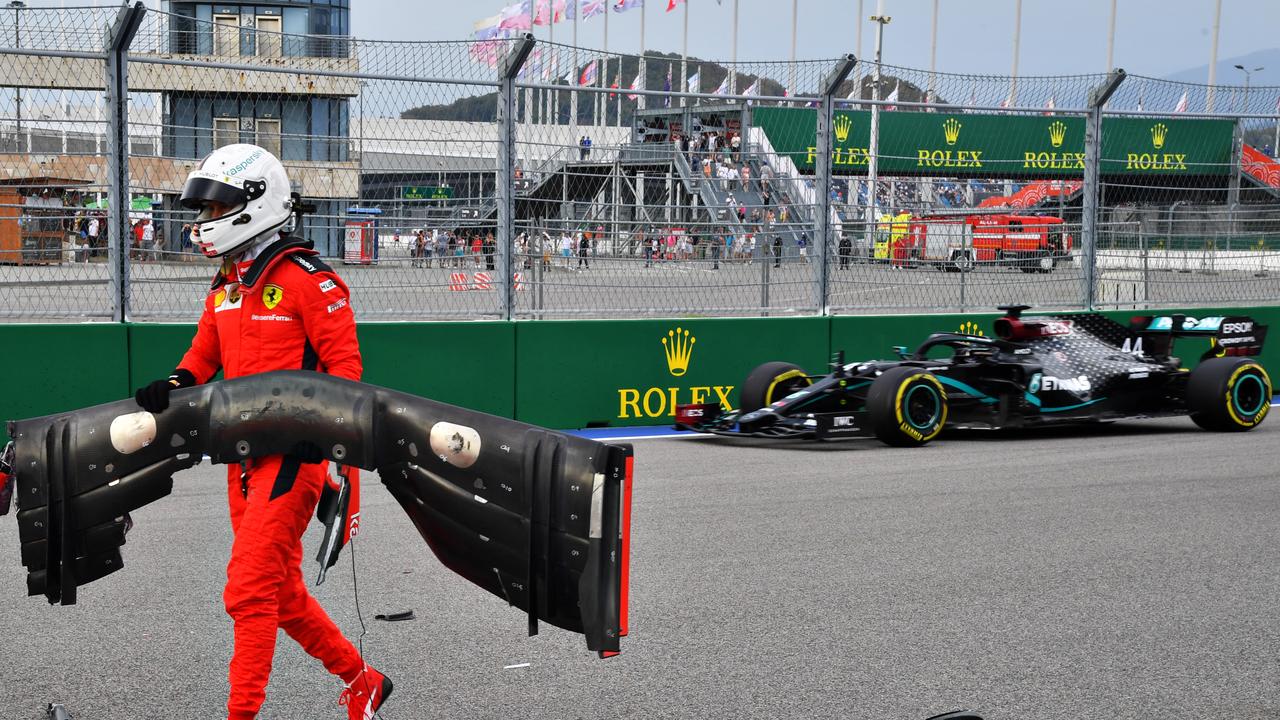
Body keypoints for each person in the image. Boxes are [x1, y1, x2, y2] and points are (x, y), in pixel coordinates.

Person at [131, 144, 392, 720]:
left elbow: (346, 370)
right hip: (240, 458)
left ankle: (241, 714)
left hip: (296, 458)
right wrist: (174, 382)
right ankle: (363, 679)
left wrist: (321, 435)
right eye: (200, 212)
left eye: (212, 210)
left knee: (248, 590)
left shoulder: (309, 279)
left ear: (253, 204)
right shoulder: (227, 283)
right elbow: (203, 354)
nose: (202, 224)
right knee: (281, 593)